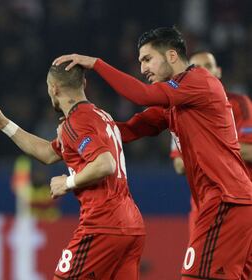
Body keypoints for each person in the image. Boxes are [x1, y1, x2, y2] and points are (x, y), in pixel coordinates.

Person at [53, 27, 252, 279]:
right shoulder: (175, 101)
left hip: (226, 199)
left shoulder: (198, 81)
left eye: (147, 59)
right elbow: (128, 130)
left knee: (195, 276)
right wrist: (78, 131)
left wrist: (96, 64)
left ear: (171, 55)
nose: (143, 69)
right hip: (228, 200)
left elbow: (142, 95)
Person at [0, 62, 145, 279]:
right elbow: (47, 153)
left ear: (54, 89)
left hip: (103, 224)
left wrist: (68, 182)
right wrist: (5, 125)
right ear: (83, 84)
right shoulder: (99, 116)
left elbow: (105, 164)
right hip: (132, 225)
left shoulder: (76, 122)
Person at [170, 51, 252, 234]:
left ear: (218, 71)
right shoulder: (180, 111)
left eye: (207, 66)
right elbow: (179, 164)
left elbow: (250, 151)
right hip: (203, 206)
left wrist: (204, 148)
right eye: (195, 68)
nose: (202, 71)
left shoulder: (240, 104)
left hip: (238, 201)